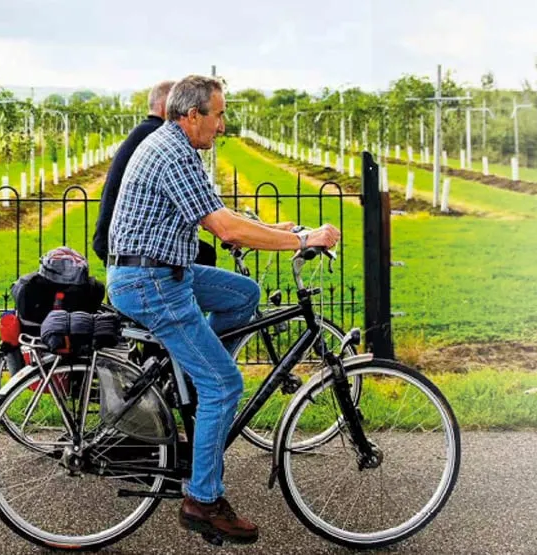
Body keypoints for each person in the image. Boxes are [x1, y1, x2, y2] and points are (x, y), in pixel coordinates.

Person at [106, 75, 340, 545]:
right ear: (192, 115)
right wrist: (302, 240)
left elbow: (216, 214)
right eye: (219, 113)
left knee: (243, 295)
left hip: (167, 270)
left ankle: (199, 380)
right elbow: (224, 229)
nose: (223, 124)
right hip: (150, 282)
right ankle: (203, 501)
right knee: (224, 384)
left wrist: (269, 227)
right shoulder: (172, 152)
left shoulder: (175, 146)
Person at [92, 80, 217, 266]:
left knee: (203, 254)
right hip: (130, 246)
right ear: (166, 105)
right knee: (204, 257)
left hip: (117, 237)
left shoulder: (146, 132)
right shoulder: (165, 138)